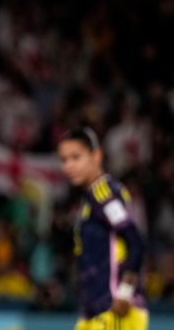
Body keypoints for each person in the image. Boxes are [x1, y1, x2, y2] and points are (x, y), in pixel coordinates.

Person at [57, 128, 148, 330]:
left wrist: (125, 293)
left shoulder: (104, 193)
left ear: (96, 156)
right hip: (93, 312)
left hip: (115, 311)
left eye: (76, 157)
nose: (69, 166)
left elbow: (135, 242)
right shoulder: (89, 200)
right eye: (64, 160)